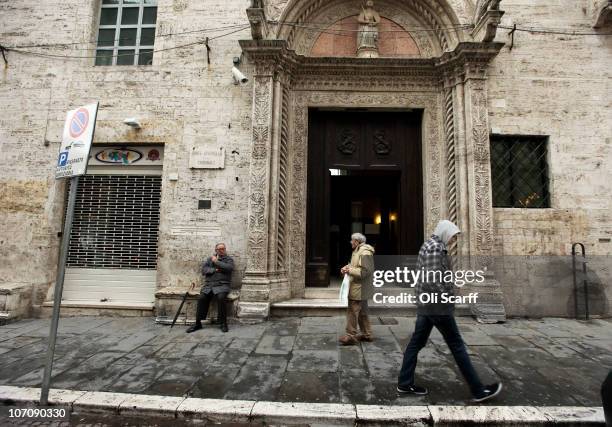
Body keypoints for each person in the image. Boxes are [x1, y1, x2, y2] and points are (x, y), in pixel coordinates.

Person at [396, 220, 502, 402]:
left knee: (416, 343)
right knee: (457, 345)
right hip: (437, 306)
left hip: (427, 305)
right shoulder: (435, 248)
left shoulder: (430, 245)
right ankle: (478, 390)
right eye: (452, 236)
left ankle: (404, 383)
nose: (453, 241)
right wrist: (447, 297)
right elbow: (431, 280)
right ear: (445, 232)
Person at [187, 242, 234, 333]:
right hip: (209, 285)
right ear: (215, 250)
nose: (221, 250)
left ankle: (223, 323)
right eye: (219, 249)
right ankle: (198, 323)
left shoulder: (229, 259)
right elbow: (204, 270)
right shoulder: (209, 259)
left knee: (221, 298)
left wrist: (216, 262)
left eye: (223, 249)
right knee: (202, 298)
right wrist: (215, 270)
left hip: (222, 285)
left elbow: (228, 268)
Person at [339, 233, 375, 345]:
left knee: (352, 311)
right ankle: (367, 334)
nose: (351, 242)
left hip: (360, 287)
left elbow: (365, 272)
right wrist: (347, 267)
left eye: (352, 240)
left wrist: (349, 271)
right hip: (357, 286)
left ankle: (350, 335)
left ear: (357, 241)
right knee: (362, 312)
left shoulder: (365, 252)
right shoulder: (357, 251)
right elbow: (356, 266)